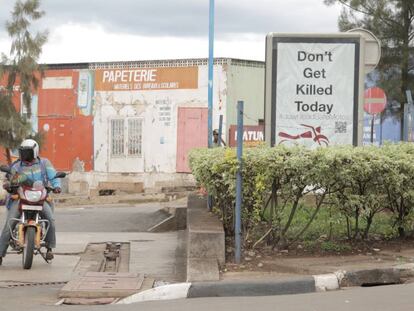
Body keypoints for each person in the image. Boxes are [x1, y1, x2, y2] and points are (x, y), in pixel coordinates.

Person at [0, 139, 61, 266]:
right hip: (22, 198)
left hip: (40, 198)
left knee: (50, 220)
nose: (24, 155)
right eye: (22, 152)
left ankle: (49, 247)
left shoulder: (44, 163)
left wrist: (56, 186)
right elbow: (13, 178)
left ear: (35, 151)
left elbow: (53, 176)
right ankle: (0, 253)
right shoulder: (17, 166)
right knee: (9, 225)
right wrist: (10, 184)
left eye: (27, 152)